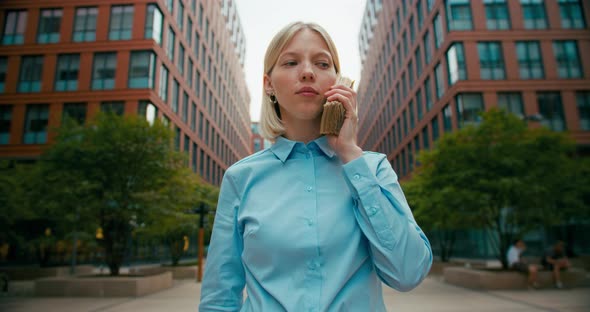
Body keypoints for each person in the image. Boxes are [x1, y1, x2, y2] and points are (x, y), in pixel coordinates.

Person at [198, 22, 432, 311]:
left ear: (338, 81)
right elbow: (219, 298)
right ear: (268, 84)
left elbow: (408, 273)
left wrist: (350, 156)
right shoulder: (239, 178)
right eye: (291, 62)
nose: (307, 71)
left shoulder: (373, 169)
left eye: (322, 63)